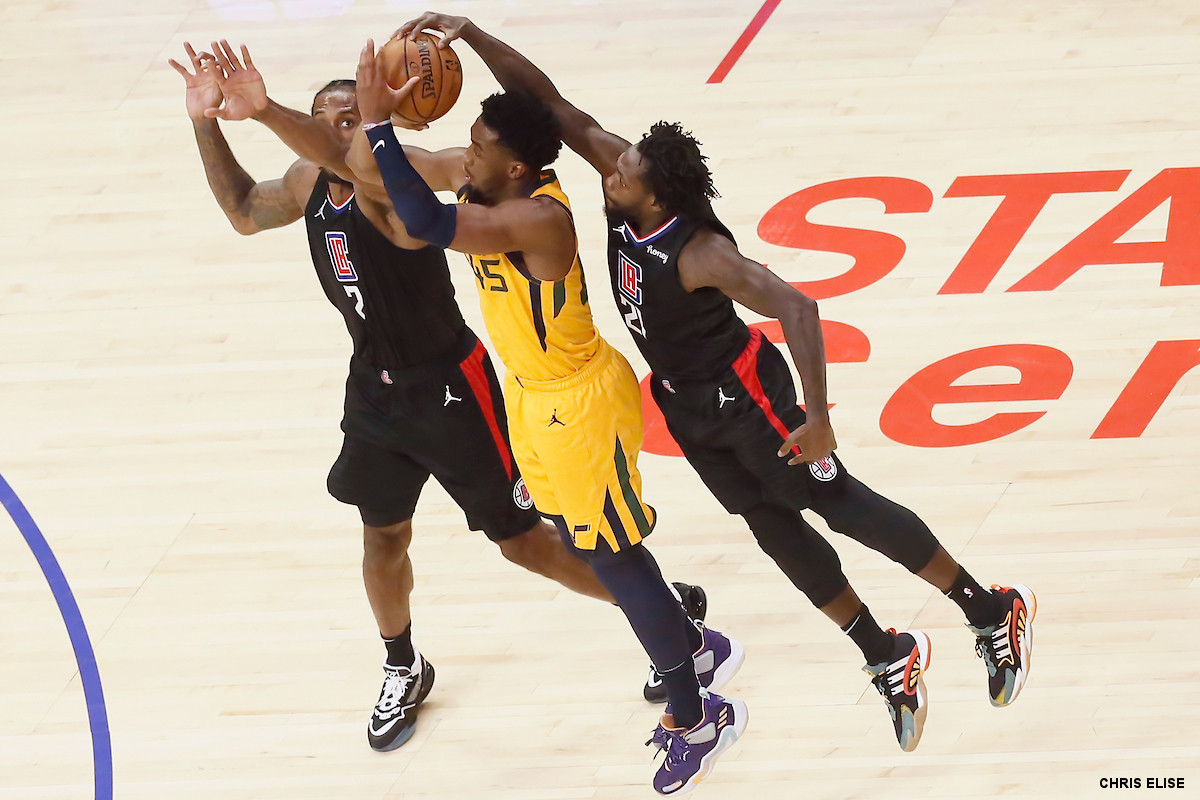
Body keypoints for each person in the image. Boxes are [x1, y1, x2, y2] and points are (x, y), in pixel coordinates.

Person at [399, 13, 1039, 754]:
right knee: (771, 529)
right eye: (617, 162)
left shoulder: (701, 251)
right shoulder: (626, 189)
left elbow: (798, 307)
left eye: (625, 172)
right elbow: (551, 104)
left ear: (655, 199)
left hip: (745, 396)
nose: (610, 169)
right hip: (685, 403)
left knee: (839, 504)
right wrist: (476, 37)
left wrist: (819, 418)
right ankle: (884, 653)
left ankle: (988, 608)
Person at [168, 41, 708, 755]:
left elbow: (412, 192)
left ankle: (667, 628)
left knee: (532, 545)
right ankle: (403, 663)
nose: (338, 131)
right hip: (380, 388)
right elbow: (245, 209)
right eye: (326, 119)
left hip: (464, 386)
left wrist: (329, 120)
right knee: (382, 535)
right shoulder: (313, 181)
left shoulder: (446, 184)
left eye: (352, 118)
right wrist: (220, 117)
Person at [340, 39, 749, 796]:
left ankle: (699, 715)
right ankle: (694, 650)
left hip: (577, 404)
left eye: (479, 149)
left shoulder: (537, 219)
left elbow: (424, 221)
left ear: (517, 169)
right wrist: (384, 115)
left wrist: (380, 126)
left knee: (614, 557)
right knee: (590, 544)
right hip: (530, 397)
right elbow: (377, 172)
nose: (466, 155)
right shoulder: (490, 187)